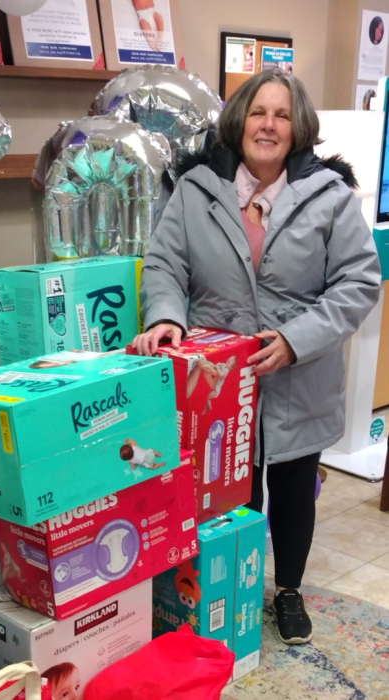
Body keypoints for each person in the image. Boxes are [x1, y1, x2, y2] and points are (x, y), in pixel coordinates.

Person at [133, 69, 381, 645]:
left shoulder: (331, 197)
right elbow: (165, 262)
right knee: (225, 492)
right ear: (240, 119)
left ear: (298, 130)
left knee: (293, 489)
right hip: (218, 383)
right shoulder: (194, 189)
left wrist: (297, 338)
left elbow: (358, 282)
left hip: (302, 376)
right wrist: (166, 316)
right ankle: (225, 591)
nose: (268, 125)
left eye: (283, 115)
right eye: (259, 112)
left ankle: (287, 591)